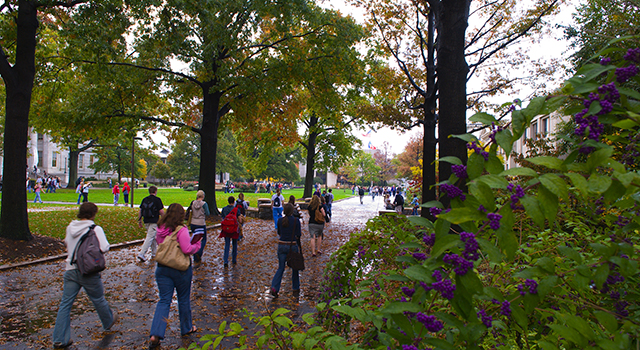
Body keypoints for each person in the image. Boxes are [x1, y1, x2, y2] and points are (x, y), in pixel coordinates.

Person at [52, 202, 118, 349]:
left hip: (70, 268)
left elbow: (66, 243)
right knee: (98, 298)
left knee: (65, 304)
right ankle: (108, 321)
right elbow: (104, 247)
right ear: (94, 214)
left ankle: (59, 338)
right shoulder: (95, 229)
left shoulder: (70, 227)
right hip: (88, 270)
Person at [148, 203, 201, 349]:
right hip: (180, 269)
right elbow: (186, 248)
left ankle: (155, 334)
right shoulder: (181, 230)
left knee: (164, 300)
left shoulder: (160, 229)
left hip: (163, 268)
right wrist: (197, 246)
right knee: (183, 299)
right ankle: (186, 327)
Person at [270, 203, 302, 297]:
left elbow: (279, 232)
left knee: (281, 267)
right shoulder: (296, 221)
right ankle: (295, 287)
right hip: (292, 246)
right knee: (295, 268)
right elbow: (298, 234)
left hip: (282, 245)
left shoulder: (280, 220)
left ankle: (275, 287)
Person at [137, 186, 165, 262]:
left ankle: (154, 253)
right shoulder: (157, 200)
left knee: (153, 237)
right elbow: (161, 211)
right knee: (150, 237)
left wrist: (139, 221)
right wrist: (165, 219)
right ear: (155, 191)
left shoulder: (145, 199)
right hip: (154, 221)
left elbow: (140, 210)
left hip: (146, 220)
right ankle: (142, 253)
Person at [189, 190, 210, 263]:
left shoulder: (193, 203)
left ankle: (195, 255)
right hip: (201, 223)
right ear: (203, 196)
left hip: (193, 222)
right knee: (203, 239)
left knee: (195, 240)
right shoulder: (204, 204)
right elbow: (207, 213)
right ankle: (199, 252)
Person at [220, 196, 241, 267]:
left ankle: (225, 260)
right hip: (234, 229)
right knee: (234, 244)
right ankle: (234, 259)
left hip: (226, 229)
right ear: (234, 201)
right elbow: (240, 220)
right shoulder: (236, 210)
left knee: (227, 244)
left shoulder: (224, 209)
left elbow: (222, 218)